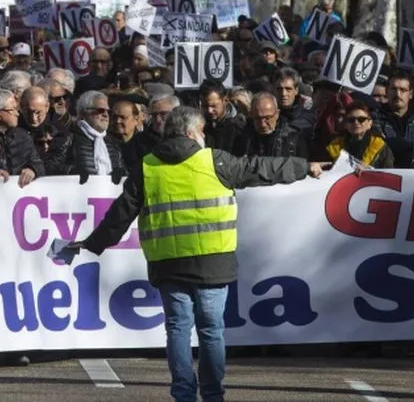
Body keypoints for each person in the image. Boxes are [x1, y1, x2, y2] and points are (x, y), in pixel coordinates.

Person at [65, 107, 326, 402]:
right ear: (191, 133)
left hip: (168, 264)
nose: (204, 136)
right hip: (212, 262)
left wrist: (90, 243)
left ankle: (183, 395)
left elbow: (119, 216)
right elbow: (261, 168)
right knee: (211, 331)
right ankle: (213, 396)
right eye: (202, 132)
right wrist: (304, 167)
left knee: (178, 328)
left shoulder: (146, 166)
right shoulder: (215, 161)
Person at [67, 91, 125, 180]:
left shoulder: (113, 142)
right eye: (100, 110)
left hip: (110, 192)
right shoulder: (69, 137)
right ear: (83, 113)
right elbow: (50, 165)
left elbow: (124, 170)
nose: (106, 115)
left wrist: (121, 172)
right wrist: (72, 171)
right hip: (79, 191)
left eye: (108, 112)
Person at [234, 92, 309, 159]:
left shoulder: (293, 138)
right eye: (258, 118)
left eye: (267, 118)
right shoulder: (243, 139)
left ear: (277, 114)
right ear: (251, 115)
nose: (262, 124)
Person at [325, 100, 395, 168]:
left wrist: (368, 170)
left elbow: (389, 174)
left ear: (370, 123)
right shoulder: (334, 147)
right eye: (351, 120)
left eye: (361, 119)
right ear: (345, 124)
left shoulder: (381, 147)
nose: (356, 122)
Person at [19, 87, 70, 176]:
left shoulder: (60, 127)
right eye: (27, 112)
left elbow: (57, 160)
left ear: (47, 107)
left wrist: (35, 169)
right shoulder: (14, 125)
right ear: (21, 107)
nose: (33, 118)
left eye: (38, 112)